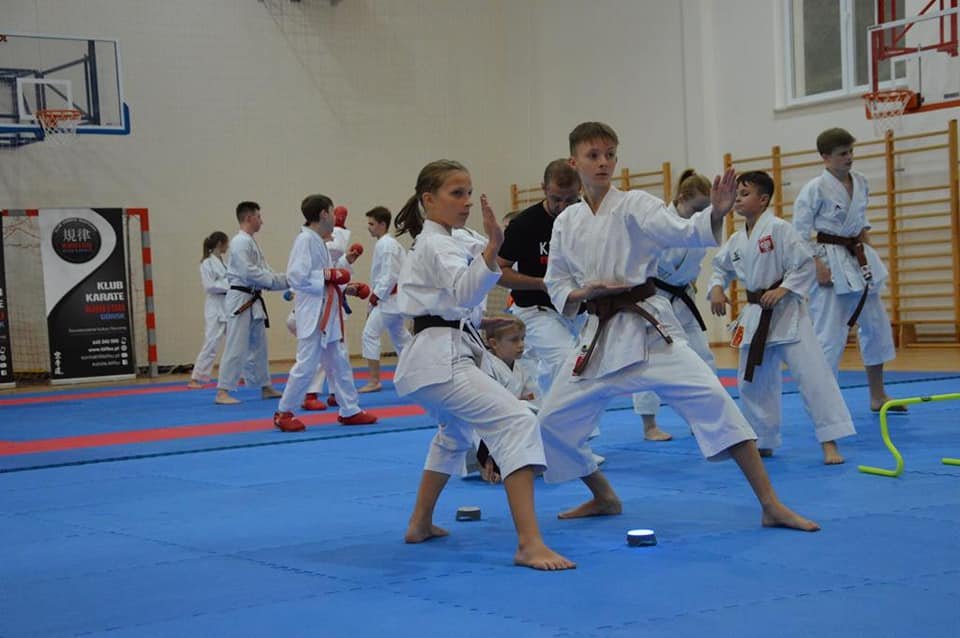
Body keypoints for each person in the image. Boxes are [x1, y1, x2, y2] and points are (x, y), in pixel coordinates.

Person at [536, 121, 819, 532]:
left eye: (610, 155)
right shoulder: (567, 221)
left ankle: (771, 504)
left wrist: (717, 212)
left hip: (648, 332)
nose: (603, 163)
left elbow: (682, 230)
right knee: (550, 422)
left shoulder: (635, 204)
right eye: (593, 156)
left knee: (716, 401)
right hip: (598, 337)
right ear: (574, 162)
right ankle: (603, 495)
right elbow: (557, 281)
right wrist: (584, 292)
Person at [393, 159, 574, 570]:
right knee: (517, 421)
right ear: (428, 199)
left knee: (454, 434)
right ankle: (529, 544)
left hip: (444, 349)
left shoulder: (455, 238)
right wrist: (493, 248)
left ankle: (419, 523)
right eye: (457, 193)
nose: (467, 201)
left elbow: (481, 278)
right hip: (439, 359)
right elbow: (463, 291)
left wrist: (479, 312)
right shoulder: (435, 243)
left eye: (470, 193)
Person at [708, 171, 856, 464]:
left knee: (814, 377)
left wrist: (784, 288)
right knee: (752, 382)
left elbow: (804, 264)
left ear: (763, 200)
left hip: (788, 313)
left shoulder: (780, 229)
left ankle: (830, 442)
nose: (738, 199)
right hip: (755, 315)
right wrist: (716, 288)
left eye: (745, 194)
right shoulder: (737, 240)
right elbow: (719, 267)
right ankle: (763, 439)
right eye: (737, 194)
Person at [793, 127, 902, 413]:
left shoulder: (861, 181)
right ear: (825, 157)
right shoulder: (814, 188)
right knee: (829, 335)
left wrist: (871, 259)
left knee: (876, 328)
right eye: (843, 154)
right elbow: (799, 234)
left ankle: (878, 396)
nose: (849, 158)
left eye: (851, 151)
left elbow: (861, 225)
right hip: (829, 261)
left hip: (858, 259)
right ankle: (823, 404)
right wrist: (816, 265)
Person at [273, 194, 378, 432]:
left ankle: (349, 409)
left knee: (339, 361)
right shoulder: (305, 240)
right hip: (314, 314)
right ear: (323, 214)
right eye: (331, 212)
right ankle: (284, 412)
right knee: (307, 363)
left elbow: (328, 279)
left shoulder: (317, 241)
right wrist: (328, 275)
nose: (334, 217)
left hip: (328, 311)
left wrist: (347, 287)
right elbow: (296, 276)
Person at [631, 169, 716, 441]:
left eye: (705, 209)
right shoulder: (658, 223)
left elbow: (695, 265)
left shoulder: (698, 228)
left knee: (703, 356)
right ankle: (649, 425)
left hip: (683, 299)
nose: (700, 215)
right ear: (680, 198)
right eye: (696, 208)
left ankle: (702, 417)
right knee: (648, 361)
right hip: (655, 299)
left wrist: (692, 285)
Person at [497, 159, 585, 395]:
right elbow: (498, 271)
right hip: (535, 309)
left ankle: (543, 399)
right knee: (567, 361)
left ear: (580, 190)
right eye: (556, 199)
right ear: (544, 188)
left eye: (570, 200)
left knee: (589, 368)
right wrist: (541, 284)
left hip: (577, 308)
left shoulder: (587, 218)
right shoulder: (524, 225)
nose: (563, 207)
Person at [215, 202, 288, 405]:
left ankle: (264, 385)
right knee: (236, 345)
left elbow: (265, 270)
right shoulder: (240, 242)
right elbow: (249, 272)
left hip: (252, 298)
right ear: (249, 218)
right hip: (240, 299)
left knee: (259, 345)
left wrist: (285, 280)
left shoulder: (250, 242)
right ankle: (222, 391)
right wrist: (278, 281)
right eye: (259, 217)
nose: (261, 221)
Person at [358, 206, 412, 393]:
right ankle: (417, 373)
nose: (369, 227)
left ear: (382, 224)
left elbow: (390, 275)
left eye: (372, 224)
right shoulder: (386, 244)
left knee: (369, 334)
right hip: (393, 299)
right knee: (401, 337)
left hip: (389, 300)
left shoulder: (387, 245)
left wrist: (375, 297)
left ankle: (374, 380)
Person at [188, 231, 230, 389]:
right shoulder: (207, 263)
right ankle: (196, 378)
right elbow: (209, 286)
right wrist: (230, 286)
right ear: (220, 243)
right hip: (215, 307)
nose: (228, 246)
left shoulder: (223, 263)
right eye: (226, 243)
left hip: (227, 306)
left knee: (237, 341)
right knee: (211, 342)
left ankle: (239, 374)